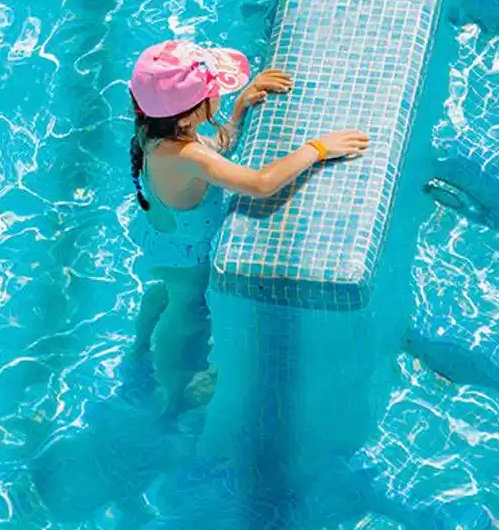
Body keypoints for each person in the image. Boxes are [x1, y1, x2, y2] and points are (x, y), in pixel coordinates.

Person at [128, 38, 367, 413]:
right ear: (187, 117)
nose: (220, 93)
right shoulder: (186, 154)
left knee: (165, 292)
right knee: (186, 315)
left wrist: (239, 109)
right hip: (190, 258)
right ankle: (172, 392)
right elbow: (260, 183)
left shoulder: (156, 133)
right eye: (214, 91)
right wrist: (317, 149)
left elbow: (214, 150)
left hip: (164, 239)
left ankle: (139, 350)